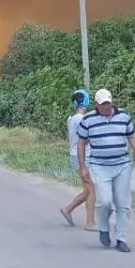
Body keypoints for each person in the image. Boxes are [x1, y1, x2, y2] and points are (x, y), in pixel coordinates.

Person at [76, 88, 135, 252]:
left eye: (108, 103)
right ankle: (103, 228)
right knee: (105, 201)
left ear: (111, 102)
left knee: (123, 203)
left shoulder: (123, 116)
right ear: (97, 105)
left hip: (122, 165)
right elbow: (81, 143)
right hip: (100, 166)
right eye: (103, 104)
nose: (106, 107)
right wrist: (82, 167)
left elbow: (132, 137)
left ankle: (121, 239)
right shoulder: (88, 120)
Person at [59, 90, 96, 231]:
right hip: (82, 156)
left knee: (88, 190)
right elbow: (85, 139)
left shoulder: (72, 119)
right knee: (91, 190)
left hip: (76, 155)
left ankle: (68, 209)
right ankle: (90, 222)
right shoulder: (82, 119)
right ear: (86, 101)